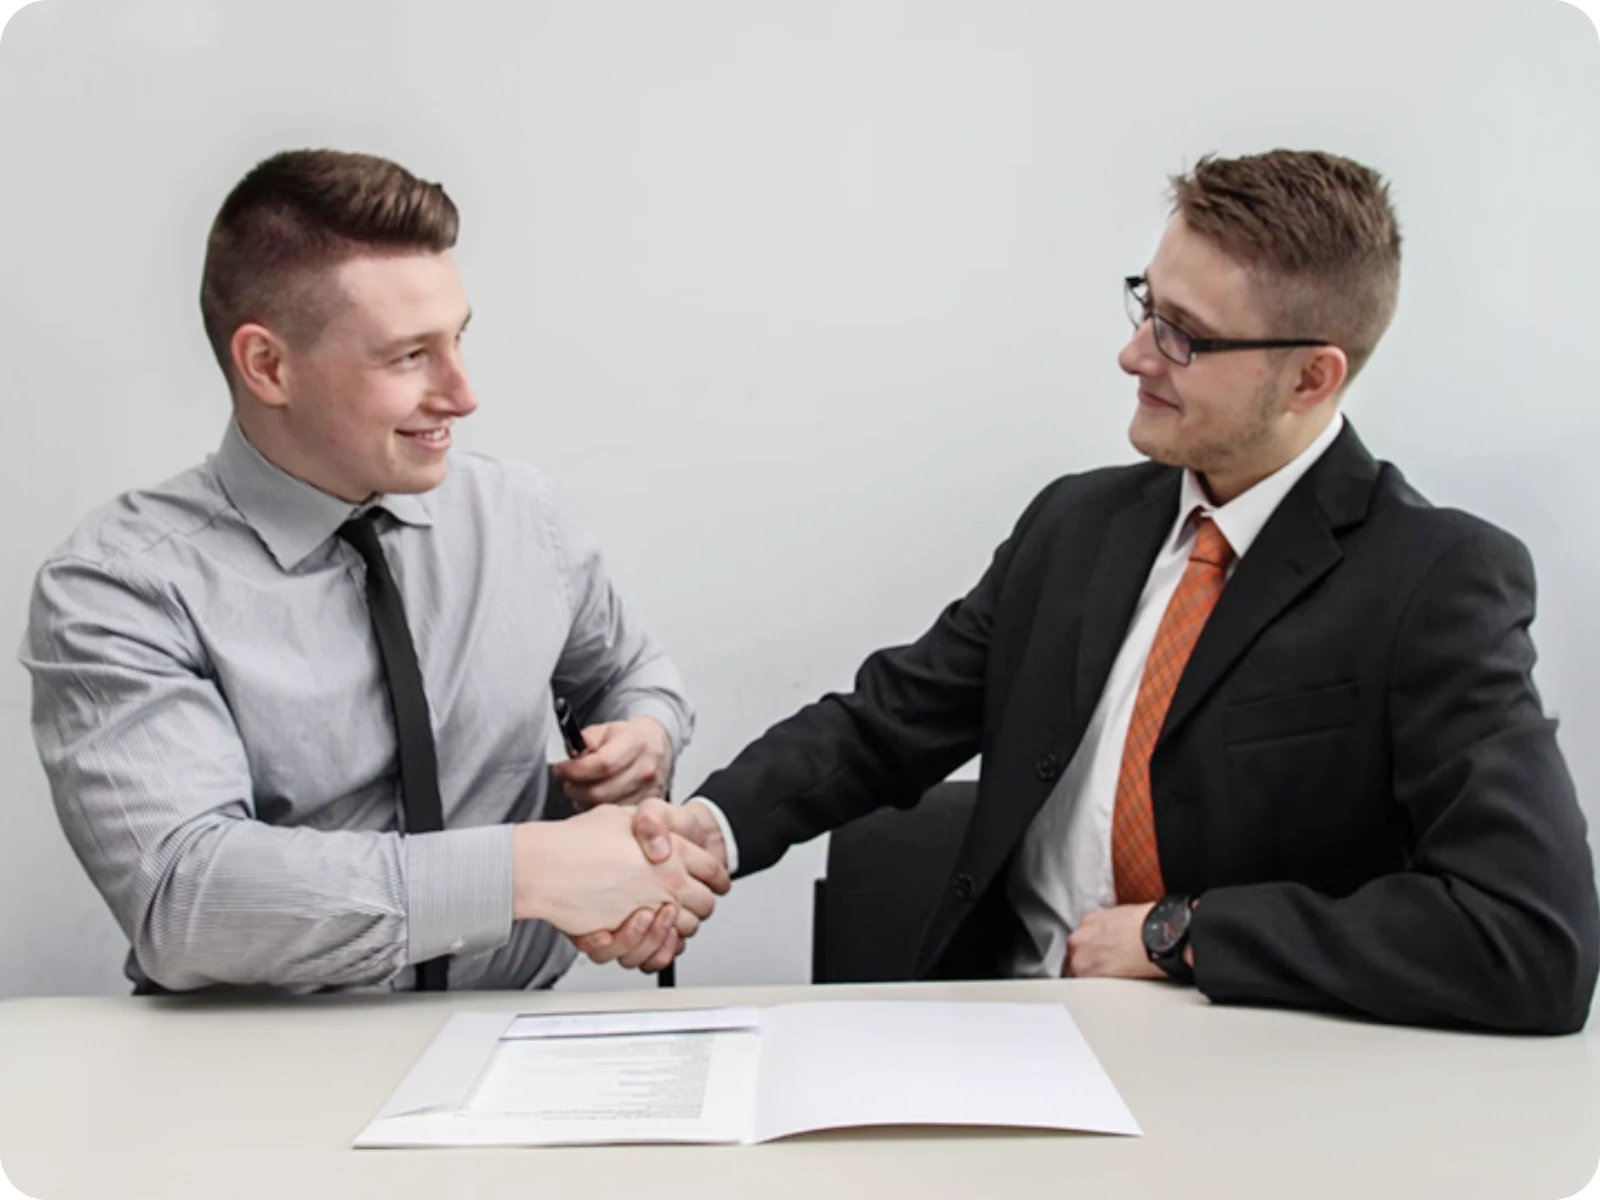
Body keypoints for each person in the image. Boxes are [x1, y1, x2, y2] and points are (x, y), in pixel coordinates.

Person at [584, 148, 1599, 1034]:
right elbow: (883, 725)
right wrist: (700, 833)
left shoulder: (1432, 580)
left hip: (1253, 1084)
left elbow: (1531, 939)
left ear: (1310, 379)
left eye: (1184, 337)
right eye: (1145, 307)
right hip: (1000, 1044)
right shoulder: (1077, 526)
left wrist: (1180, 935)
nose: (1133, 353)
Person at [20, 148, 728, 996]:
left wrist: (641, 739)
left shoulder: (521, 515)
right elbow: (187, 899)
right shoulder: (118, 587)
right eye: (408, 357)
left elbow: (629, 674)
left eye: (459, 339)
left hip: (516, 1040)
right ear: (268, 367)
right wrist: (522, 870)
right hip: (254, 1075)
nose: (463, 395)